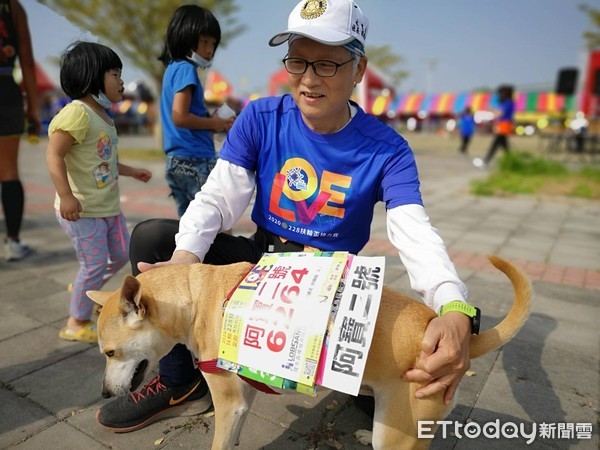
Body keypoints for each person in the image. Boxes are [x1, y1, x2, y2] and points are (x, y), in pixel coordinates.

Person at [97, 0, 474, 432]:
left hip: (330, 282)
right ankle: (181, 381)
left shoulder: (387, 149)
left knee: (402, 385)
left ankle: (357, 381)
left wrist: (453, 305)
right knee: (154, 240)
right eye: (298, 61)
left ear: (359, 69)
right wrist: (184, 259)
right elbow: (218, 198)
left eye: (327, 64)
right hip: (261, 263)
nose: (309, 79)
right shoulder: (261, 117)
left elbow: (414, 232)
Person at [46, 41, 152, 343]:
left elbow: (104, 160)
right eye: (115, 74)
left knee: (121, 254)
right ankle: (76, 322)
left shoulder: (104, 116)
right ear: (92, 77)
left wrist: (132, 171)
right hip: (82, 212)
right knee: (93, 265)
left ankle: (84, 285)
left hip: (107, 208)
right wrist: (66, 196)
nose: (121, 81)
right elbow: (54, 155)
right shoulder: (77, 114)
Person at [159, 4, 235, 218]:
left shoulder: (172, 68)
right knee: (218, 218)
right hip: (195, 159)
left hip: (176, 159)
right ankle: (229, 253)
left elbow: (182, 119)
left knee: (190, 225)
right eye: (204, 42)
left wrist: (210, 122)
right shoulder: (186, 70)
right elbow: (180, 117)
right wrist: (215, 124)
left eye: (213, 43)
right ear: (185, 36)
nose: (210, 49)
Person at [0, 0, 40, 261]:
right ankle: (12, 242)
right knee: (8, 170)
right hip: (5, 92)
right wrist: (33, 110)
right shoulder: (12, 7)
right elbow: (26, 62)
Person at [474, 84, 514, 168]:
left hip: (504, 125)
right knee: (503, 145)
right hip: (501, 125)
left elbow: (500, 113)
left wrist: (490, 109)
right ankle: (511, 161)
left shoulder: (508, 102)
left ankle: (486, 161)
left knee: (496, 143)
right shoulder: (506, 102)